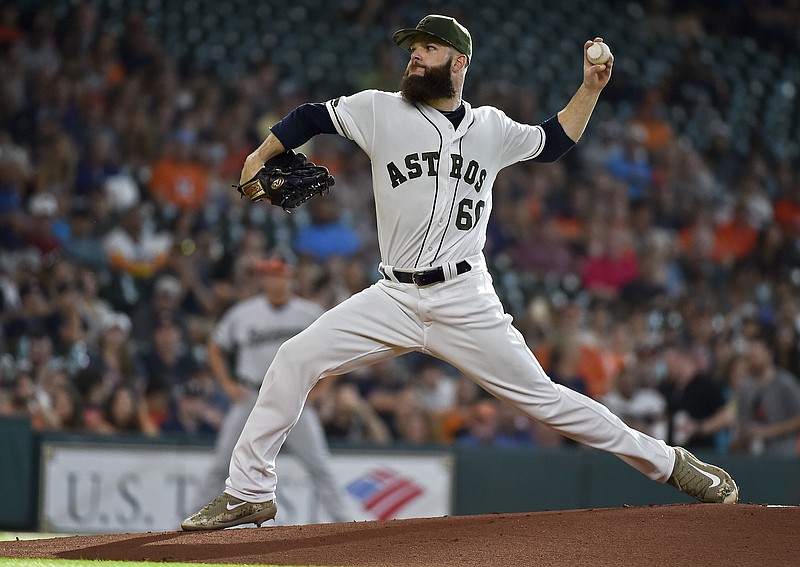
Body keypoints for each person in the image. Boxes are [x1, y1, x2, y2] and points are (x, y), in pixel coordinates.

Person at [182, 14, 738, 531]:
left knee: (545, 399)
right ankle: (248, 489)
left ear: (459, 62)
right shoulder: (381, 109)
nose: (414, 58)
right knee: (293, 358)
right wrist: (261, 154)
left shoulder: (491, 127)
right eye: (412, 50)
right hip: (394, 295)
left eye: (427, 49)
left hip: (465, 297)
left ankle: (670, 463)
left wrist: (590, 89)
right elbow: (311, 117)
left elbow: (553, 140)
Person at [192, 252, 356, 524]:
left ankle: (345, 524)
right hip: (250, 396)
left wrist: (322, 389)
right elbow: (215, 346)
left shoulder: (309, 313)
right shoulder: (244, 313)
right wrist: (227, 384)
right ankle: (188, 525)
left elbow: (337, 351)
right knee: (221, 463)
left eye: (279, 274)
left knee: (320, 467)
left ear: (290, 277)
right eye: (269, 275)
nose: (274, 280)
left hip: (294, 398)